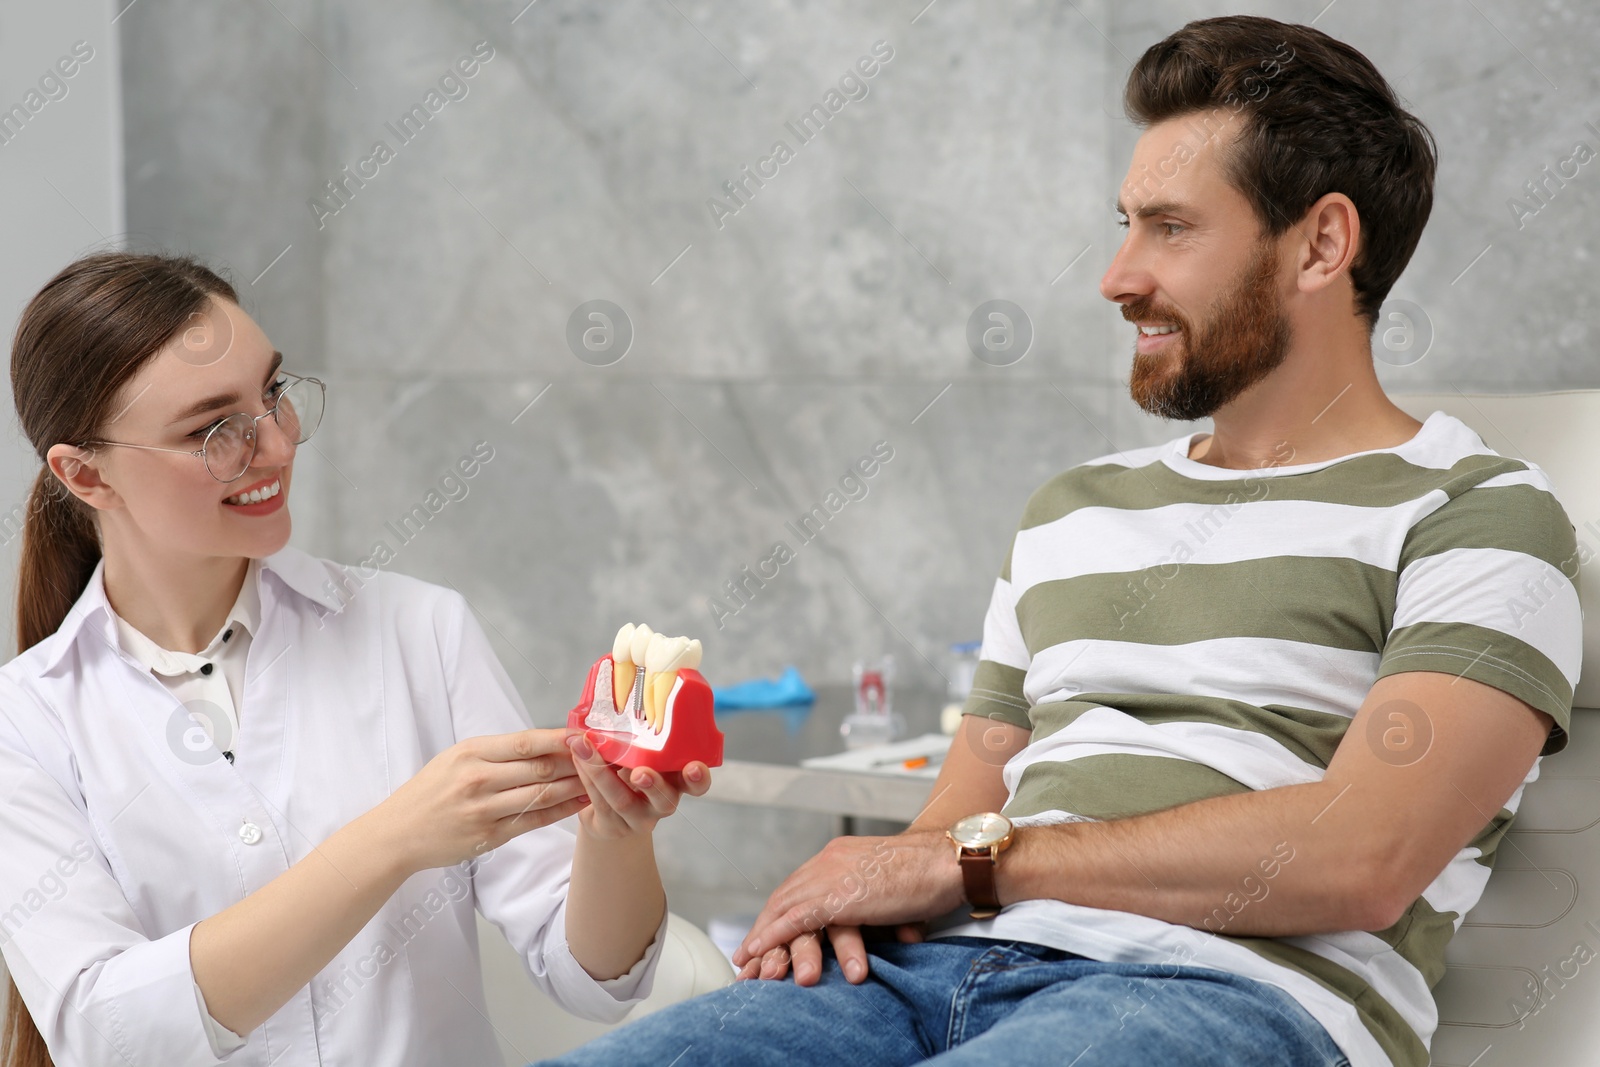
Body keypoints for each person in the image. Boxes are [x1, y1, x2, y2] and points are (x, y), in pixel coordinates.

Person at [537, 15, 1582, 1067]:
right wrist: (854, 892)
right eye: (1126, 223)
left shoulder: (1480, 513)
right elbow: (955, 818)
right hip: (913, 980)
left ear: (1320, 243)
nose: (1117, 275)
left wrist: (978, 864)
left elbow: (1366, 853)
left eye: (1170, 228)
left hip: (1219, 996)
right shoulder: (1073, 512)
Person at [0, 251, 712, 1066]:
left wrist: (615, 836)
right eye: (212, 430)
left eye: (272, 394)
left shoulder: (420, 629)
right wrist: (395, 837)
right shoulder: (24, 722)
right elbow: (106, 1032)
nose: (273, 444)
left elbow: (591, 975)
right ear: (85, 474)